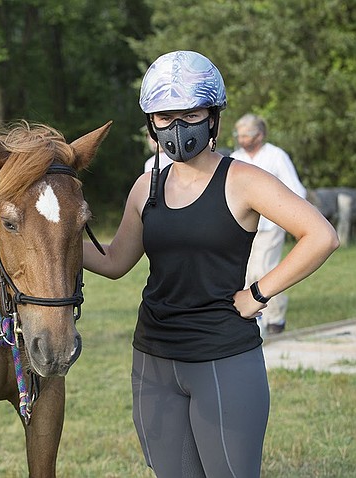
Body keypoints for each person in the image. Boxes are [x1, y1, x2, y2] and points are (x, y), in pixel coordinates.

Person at [83, 50, 338, 478]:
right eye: (165, 115)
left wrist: (259, 293)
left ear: (213, 116)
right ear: (151, 122)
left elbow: (321, 236)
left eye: (191, 112)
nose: (178, 127)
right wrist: (54, 228)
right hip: (153, 358)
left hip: (224, 358)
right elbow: (113, 261)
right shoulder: (146, 186)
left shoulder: (244, 180)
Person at [231, 113, 307, 335]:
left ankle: (276, 319)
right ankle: (250, 321)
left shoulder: (276, 156)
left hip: (270, 225)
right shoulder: (235, 158)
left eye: (247, 135)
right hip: (241, 227)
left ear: (260, 135)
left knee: (264, 271)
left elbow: (296, 189)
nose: (243, 139)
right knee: (244, 274)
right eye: (239, 135)